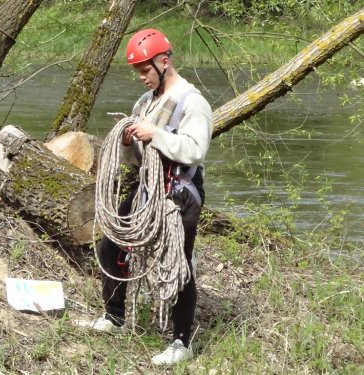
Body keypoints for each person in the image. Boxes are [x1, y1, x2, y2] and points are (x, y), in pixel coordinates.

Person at [87, 28, 213, 366]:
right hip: (148, 187)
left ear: (164, 61)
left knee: (177, 263)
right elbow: (137, 159)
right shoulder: (145, 103)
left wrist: (155, 133)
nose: (141, 77)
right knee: (111, 244)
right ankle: (114, 317)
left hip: (179, 194)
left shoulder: (193, 102)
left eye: (145, 69)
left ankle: (181, 342)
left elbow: (195, 149)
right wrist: (129, 144)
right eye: (138, 71)